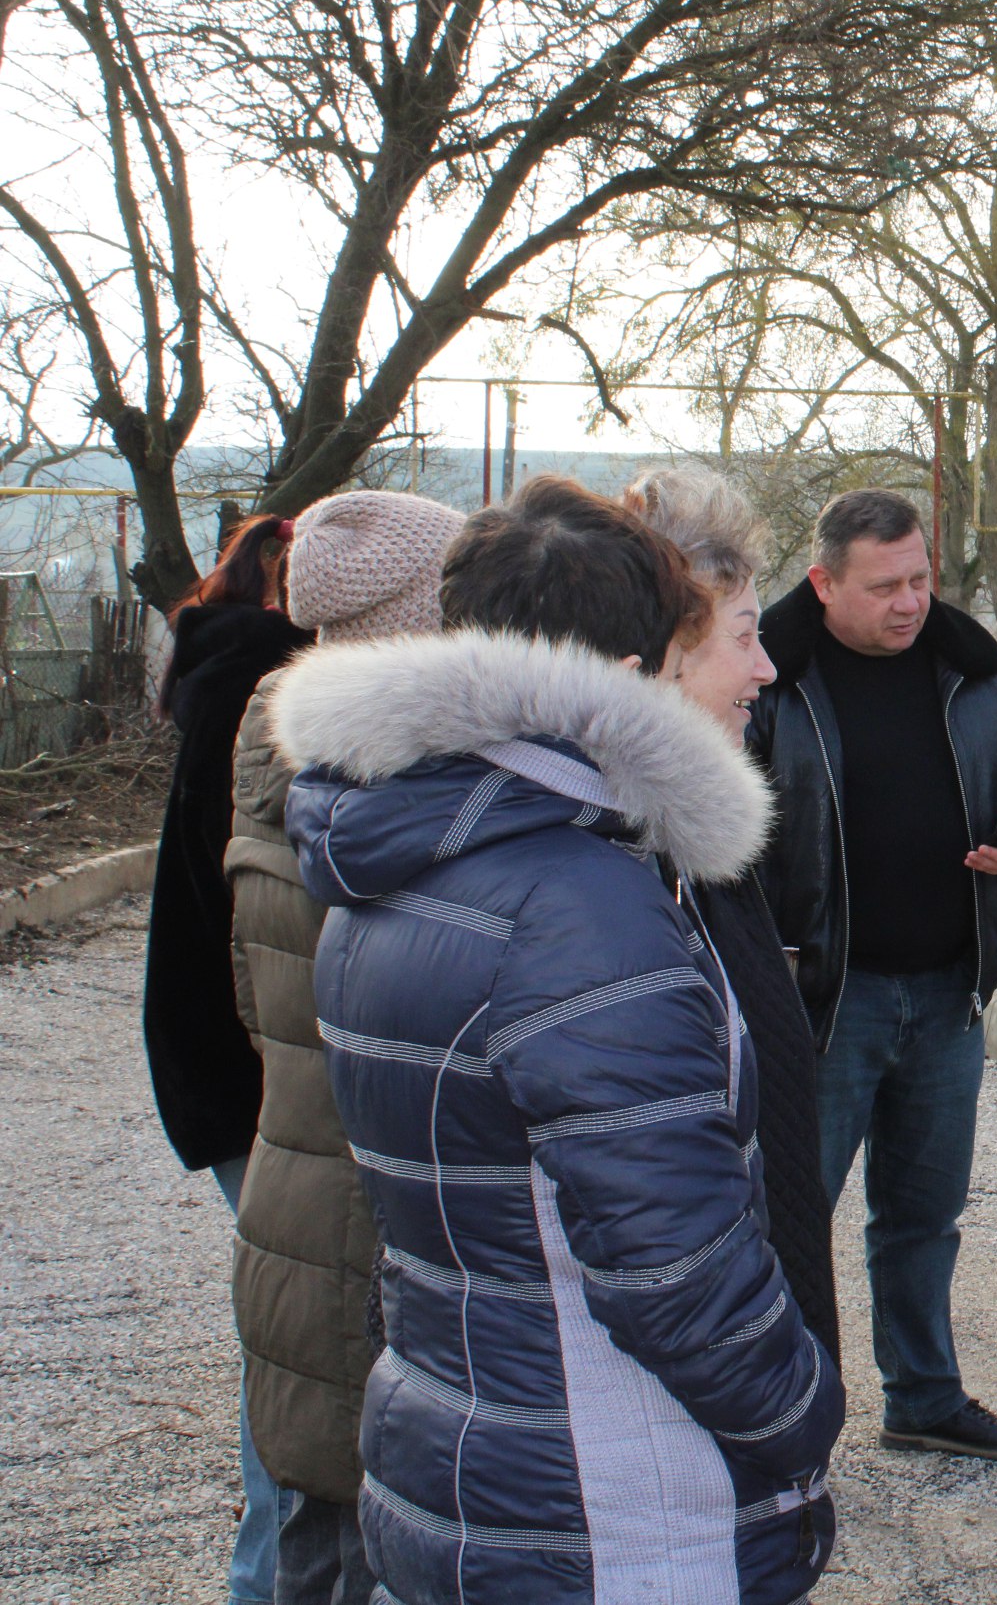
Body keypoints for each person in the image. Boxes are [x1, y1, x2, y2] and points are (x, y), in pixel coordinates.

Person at [270, 477, 841, 1603]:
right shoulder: (578, 910)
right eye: (741, 641)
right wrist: (798, 1412)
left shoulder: (395, 865)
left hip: (465, 1458)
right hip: (610, 1508)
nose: (766, 669)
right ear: (629, 679)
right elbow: (674, 1270)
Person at [749, 488, 997, 1462]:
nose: (909, 601)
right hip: (821, 1001)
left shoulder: (970, 669)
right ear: (823, 583)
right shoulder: (773, 679)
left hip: (948, 992)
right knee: (787, 1223)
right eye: (884, 585)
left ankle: (924, 1395)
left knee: (924, 1214)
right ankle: (779, 1427)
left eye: (921, 579)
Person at [225, 490, 463, 1605]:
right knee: (364, 1550)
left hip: (297, 1203)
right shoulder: (388, 802)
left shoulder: (279, 751)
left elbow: (239, 992)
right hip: (370, 1229)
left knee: (315, 1542)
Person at [624, 466, 840, 1365]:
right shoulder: (623, 879)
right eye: (744, 637)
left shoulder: (695, 845)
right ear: (668, 655)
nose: (767, 666)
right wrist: (776, 1407)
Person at [142, 510, 310, 1605]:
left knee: (297, 1340)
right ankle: (275, 1581)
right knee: (305, 1345)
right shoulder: (276, 700)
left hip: (224, 1060)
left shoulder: (225, 676)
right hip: (257, 1076)